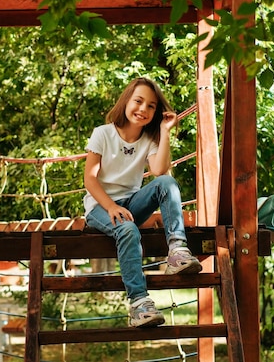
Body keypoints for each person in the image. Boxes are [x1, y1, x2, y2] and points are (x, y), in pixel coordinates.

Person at [83, 77, 202, 328]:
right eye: (138, 101)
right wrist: (111, 206)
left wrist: (165, 132)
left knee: (167, 182)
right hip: (99, 206)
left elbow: (159, 171)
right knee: (127, 228)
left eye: (151, 106)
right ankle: (139, 304)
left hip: (131, 204)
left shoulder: (149, 139)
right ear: (126, 100)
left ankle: (177, 251)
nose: (143, 109)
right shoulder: (102, 134)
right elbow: (90, 181)